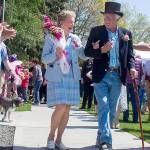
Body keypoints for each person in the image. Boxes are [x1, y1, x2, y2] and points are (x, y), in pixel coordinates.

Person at [84, 2, 137, 149]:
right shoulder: (96, 31)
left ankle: (101, 134)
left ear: (117, 18)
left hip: (117, 76)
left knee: (112, 110)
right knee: (104, 106)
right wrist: (101, 50)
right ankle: (106, 140)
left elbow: (130, 55)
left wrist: (132, 68)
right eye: (105, 17)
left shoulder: (126, 34)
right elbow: (87, 51)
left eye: (109, 17)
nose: (106, 20)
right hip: (101, 75)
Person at [42, 10, 87, 150]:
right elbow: (44, 58)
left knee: (67, 110)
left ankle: (59, 140)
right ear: (61, 22)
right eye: (70, 21)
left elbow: (83, 55)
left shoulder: (74, 38)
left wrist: (92, 48)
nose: (72, 23)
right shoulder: (51, 37)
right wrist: (56, 54)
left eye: (73, 21)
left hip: (72, 77)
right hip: (57, 75)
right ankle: (50, 137)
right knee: (61, 106)